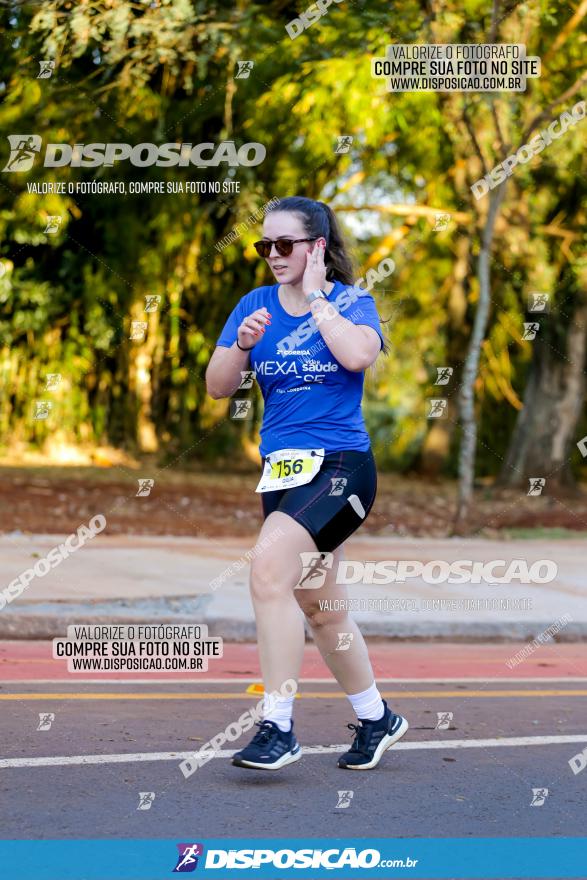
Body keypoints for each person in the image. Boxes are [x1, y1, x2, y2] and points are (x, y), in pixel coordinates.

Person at [205, 196, 408, 771]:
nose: (271, 255)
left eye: (284, 244)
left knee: (268, 569)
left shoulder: (350, 301)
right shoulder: (254, 305)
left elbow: (357, 355)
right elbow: (218, 386)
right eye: (263, 245)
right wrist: (242, 344)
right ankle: (377, 718)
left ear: (317, 247)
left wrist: (318, 299)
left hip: (342, 470)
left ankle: (278, 726)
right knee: (321, 608)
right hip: (283, 476)